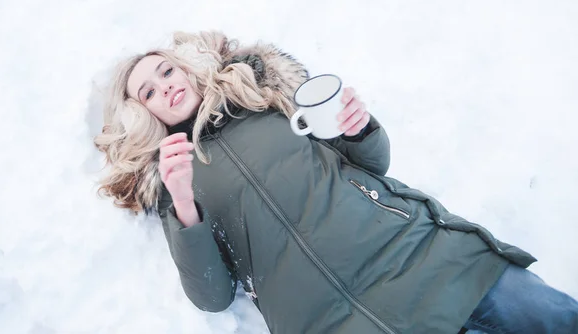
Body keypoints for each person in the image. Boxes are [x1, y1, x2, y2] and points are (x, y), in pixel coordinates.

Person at [94, 31, 578, 334]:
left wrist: (356, 126)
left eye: (167, 70)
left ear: (188, 67)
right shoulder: (174, 176)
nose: (166, 86)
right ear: (144, 113)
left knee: (556, 319)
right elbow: (213, 297)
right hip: (331, 321)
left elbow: (371, 163)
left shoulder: (264, 99)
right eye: (149, 91)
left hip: (420, 255)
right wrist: (182, 203)